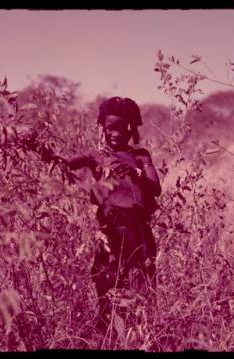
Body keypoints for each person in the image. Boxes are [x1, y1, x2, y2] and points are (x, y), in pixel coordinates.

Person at [60, 97, 162, 332]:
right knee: (106, 288)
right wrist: (42, 151)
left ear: (130, 128)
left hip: (139, 233)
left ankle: (142, 338)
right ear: (103, 128)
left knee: (143, 289)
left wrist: (135, 172)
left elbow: (155, 187)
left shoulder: (141, 157)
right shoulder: (96, 156)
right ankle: (108, 337)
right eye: (109, 128)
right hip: (110, 233)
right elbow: (66, 163)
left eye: (119, 128)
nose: (114, 134)